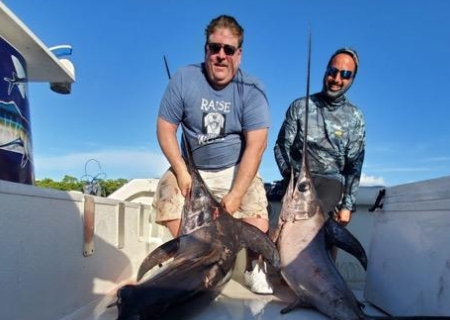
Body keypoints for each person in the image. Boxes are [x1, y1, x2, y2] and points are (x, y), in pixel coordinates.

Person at [152, 15, 273, 294]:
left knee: (258, 221)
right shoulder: (183, 78)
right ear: (206, 50)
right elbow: (165, 130)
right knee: (165, 191)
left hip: (235, 167)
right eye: (214, 48)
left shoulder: (253, 90)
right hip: (193, 169)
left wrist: (237, 195)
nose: (220, 55)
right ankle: (193, 257)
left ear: (239, 55)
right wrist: (181, 171)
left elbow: (257, 146)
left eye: (228, 49)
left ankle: (253, 267)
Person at [274, 47, 365, 230]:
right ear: (326, 71)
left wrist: (347, 206)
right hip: (298, 180)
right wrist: (290, 176)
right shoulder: (300, 106)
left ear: (352, 80)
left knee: (320, 233)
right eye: (333, 71)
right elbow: (281, 147)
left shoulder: (355, 117)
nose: (337, 79)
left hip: (331, 183)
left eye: (345, 75)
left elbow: (353, 166)